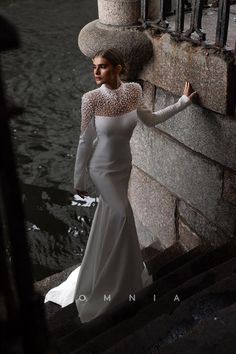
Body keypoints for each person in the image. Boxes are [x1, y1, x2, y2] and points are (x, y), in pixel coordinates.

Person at [45, 48, 196, 323]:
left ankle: (112, 275)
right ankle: (111, 287)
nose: (95, 72)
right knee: (122, 215)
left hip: (123, 166)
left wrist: (182, 102)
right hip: (101, 169)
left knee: (112, 219)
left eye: (102, 67)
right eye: (94, 66)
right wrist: (79, 180)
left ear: (118, 68)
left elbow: (150, 120)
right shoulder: (90, 99)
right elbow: (84, 141)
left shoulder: (134, 92)